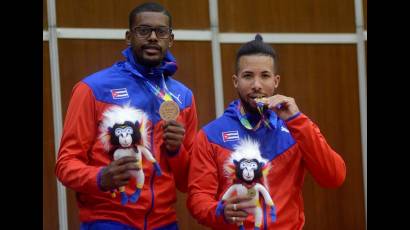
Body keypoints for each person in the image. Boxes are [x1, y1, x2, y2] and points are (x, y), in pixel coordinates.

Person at [55, 2, 198, 230]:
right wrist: (100, 177)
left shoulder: (183, 97)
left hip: (164, 223)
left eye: (160, 32)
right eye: (144, 30)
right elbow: (65, 164)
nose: (152, 37)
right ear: (128, 37)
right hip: (108, 221)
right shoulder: (92, 89)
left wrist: (176, 150)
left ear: (170, 40)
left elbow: (186, 182)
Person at [187, 34, 346, 229]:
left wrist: (297, 120)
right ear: (235, 81)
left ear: (276, 81)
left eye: (264, 75)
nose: (256, 85)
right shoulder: (211, 135)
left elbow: (333, 177)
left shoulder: (297, 128)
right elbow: (198, 197)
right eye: (248, 76)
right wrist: (219, 211)